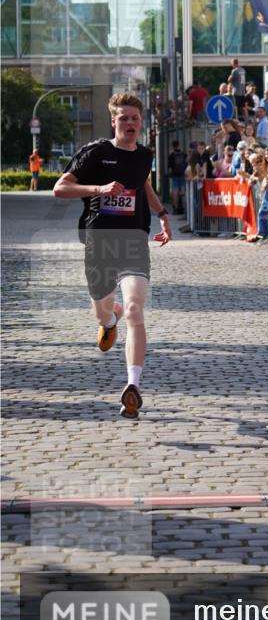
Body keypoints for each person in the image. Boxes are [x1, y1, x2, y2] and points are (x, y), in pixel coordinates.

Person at [53, 93, 171, 419]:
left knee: (136, 309)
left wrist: (161, 214)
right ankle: (109, 319)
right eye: (124, 118)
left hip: (133, 240)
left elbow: (143, 184)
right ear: (113, 121)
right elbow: (60, 188)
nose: (130, 123)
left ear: (140, 122)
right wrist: (99, 190)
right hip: (99, 241)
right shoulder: (95, 153)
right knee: (104, 308)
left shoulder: (145, 155)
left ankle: (133, 386)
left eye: (135, 118)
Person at [167, 140, 187, 214]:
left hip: (174, 175)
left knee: (175, 192)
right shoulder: (183, 154)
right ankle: (185, 209)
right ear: (179, 145)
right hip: (182, 174)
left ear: (172, 146)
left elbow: (169, 167)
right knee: (183, 191)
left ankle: (175, 209)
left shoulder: (171, 155)